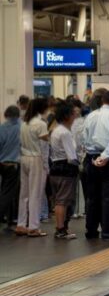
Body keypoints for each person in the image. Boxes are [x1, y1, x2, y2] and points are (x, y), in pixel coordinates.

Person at [82, 90, 109, 240]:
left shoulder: (91, 116)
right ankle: (107, 231)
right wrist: (105, 156)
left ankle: (91, 230)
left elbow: (84, 137)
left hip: (91, 157)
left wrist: (92, 157)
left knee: (92, 197)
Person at [15, 98, 50, 237]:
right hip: (36, 159)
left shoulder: (24, 123)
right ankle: (33, 227)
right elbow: (45, 144)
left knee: (24, 194)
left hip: (23, 158)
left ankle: (21, 224)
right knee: (35, 193)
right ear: (41, 108)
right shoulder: (41, 124)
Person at [48, 102, 79, 239]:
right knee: (63, 201)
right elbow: (71, 156)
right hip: (66, 169)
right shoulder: (65, 133)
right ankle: (61, 229)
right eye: (73, 114)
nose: (75, 116)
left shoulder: (56, 129)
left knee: (58, 200)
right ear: (67, 116)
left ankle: (61, 228)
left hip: (55, 167)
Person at [0, 105, 20, 232]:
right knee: (8, 194)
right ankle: (6, 217)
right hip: (13, 164)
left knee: (6, 191)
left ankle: (10, 219)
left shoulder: (1, 128)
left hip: (1, 163)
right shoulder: (21, 128)